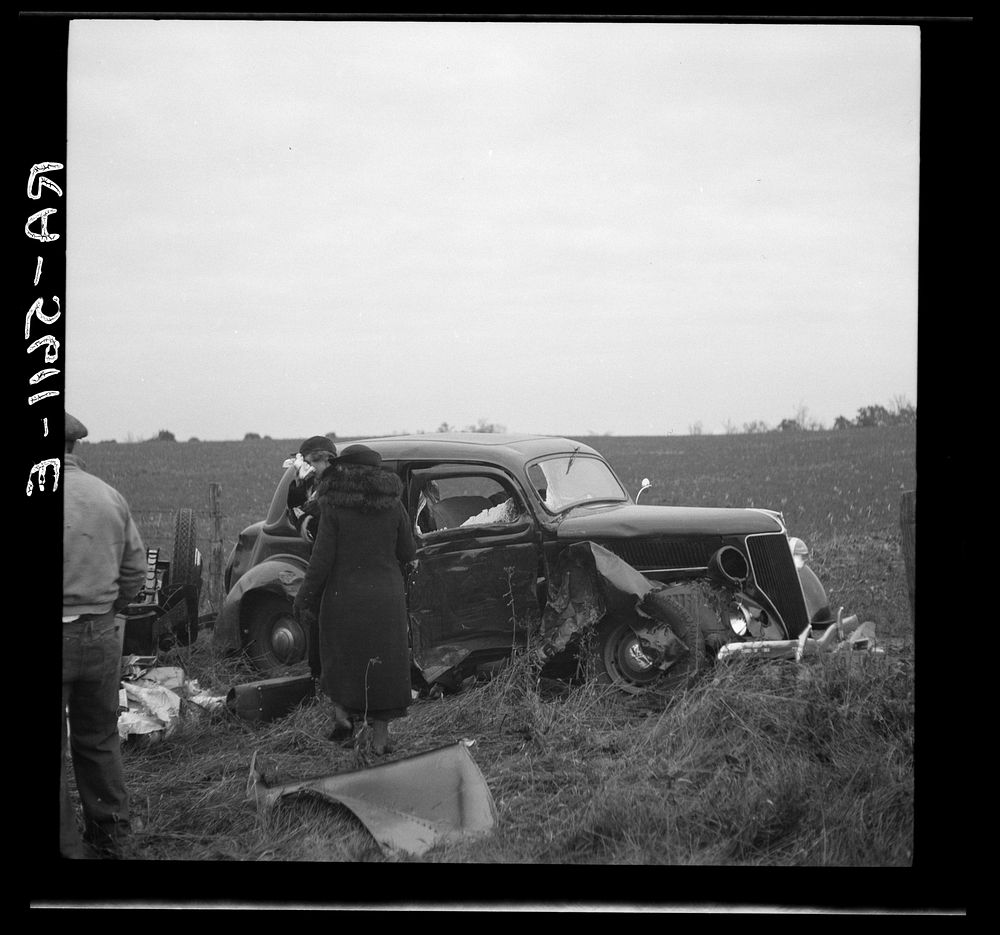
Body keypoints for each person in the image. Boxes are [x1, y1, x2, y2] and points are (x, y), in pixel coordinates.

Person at [293, 444, 416, 755]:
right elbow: (408, 553)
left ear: (346, 471)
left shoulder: (333, 507)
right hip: (386, 598)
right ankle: (380, 741)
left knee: (341, 659)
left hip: (343, 597)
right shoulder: (394, 505)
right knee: (385, 665)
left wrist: (305, 598)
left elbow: (321, 561)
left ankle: (344, 721)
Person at [62, 413, 147, 859]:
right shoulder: (107, 494)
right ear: (76, 446)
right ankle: (113, 835)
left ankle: (67, 848)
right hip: (100, 634)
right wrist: (108, 609)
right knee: (98, 737)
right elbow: (135, 571)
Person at [286, 434, 338, 525]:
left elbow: (311, 524)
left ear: (326, 460)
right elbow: (296, 520)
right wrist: (300, 489)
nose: (304, 467)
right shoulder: (313, 486)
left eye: (306, 462)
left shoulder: (338, 488)